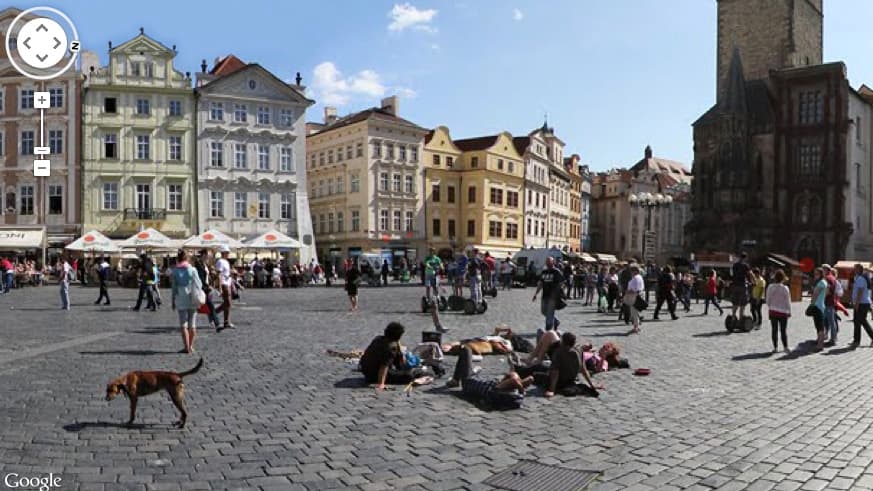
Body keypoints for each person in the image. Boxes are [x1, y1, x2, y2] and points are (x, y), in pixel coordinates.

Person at [359, 322, 424, 390]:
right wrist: (381, 384)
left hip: (367, 372)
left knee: (401, 363)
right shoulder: (390, 348)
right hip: (375, 375)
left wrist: (398, 346)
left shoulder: (378, 339)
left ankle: (403, 370)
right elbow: (384, 366)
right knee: (409, 376)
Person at [544, 332, 602, 398]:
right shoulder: (579, 351)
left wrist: (552, 390)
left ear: (562, 342)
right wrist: (592, 385)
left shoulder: (559, 352)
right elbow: (584, 369)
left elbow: (555, 372)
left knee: (540, 369)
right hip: (571, 380)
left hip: (560, 381)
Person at [171, 249, 203, 354]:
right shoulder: (192, 270)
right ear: (187, 258)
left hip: (181, 297)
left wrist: (173, 300)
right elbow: (199, 284)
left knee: (183, 324)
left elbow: (174, 287)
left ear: (178, 258)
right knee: (192, 323)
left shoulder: (175, 271)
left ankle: (186, 347)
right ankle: (191, 346)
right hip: (192, 296)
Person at [532, 256, 565, 332]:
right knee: (543, 312)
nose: (548, 263)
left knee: (550, 313)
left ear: (553, 262)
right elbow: (540, 284)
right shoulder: (544, 272)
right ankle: (555, 321)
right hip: (545, 295)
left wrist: (559, 292)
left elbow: (562, 282)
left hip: (553, 297)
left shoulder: (556, 272)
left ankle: (548, 330)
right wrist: (536, 294)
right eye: (547, 262)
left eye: (549, 262)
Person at [765, 269, 791, 353]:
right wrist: (789, 311)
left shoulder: (770, 287)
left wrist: (770, 306)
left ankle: (775, 347)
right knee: (783, 330)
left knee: (774, 330)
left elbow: (767, 299)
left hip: (773, 311)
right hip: (783, 312)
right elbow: (788, 301)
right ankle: (785, 347)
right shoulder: (785, 288)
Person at [194, 250, 221, 329]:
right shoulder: (198, 264)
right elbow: (200, 278)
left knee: (209, 306)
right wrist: (207, 286)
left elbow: (207, 276)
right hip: (202, 288)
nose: (209, 257)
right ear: (204, 255)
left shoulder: (205, 264)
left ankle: (216, 323)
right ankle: (216, 323)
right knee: (201, 306)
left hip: (206, 288)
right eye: (208, 255)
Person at [850, 264, 873, 349]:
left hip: (861, 303)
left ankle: (856, 341)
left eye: (855, 269)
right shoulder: (861, 278)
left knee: (858, 322)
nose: (854, 270)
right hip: (863, 303)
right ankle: (856, 340)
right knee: (861, 321)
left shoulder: (860, 278)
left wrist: (856, 304)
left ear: (859, 269)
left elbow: (860, 292)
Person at [214, 245, 235, 331]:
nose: (228, 254)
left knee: (227, 303)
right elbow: (219, 274)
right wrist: (220, 287)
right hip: (223, 283)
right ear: (223, 253)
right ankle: (215, 314)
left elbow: (226, 273)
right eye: (227, 252)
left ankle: (225, 320)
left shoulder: (226, 262)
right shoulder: (220, 262)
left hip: (228, 283)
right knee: (228, 302)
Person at [729, 252, 752, 319]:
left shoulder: (735, 265)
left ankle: (733, 317)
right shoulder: (745, 265)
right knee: (743, 303)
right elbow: (750, 274)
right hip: (742, 285)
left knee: (735, 303)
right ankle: (741, 317)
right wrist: (753, 281)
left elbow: (732, 274)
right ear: (745, 258)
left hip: (735, 285)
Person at [810, 267, 827, 352]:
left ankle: (820, 345)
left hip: (818, 306)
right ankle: (819, 343)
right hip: (820, 305)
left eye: (816, 274)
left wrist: (811, 305)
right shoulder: (823, 282)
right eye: (814, 274)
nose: (815, 275)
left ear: (820, 274)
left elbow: (815, 294)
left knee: (820, 327)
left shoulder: (821, 283)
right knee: (818, 326)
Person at [625, 265, 644, 334]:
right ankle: (637, 326)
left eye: (631, 271)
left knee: (634, 312)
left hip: (634, 296)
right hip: (636, 295)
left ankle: (635, 327)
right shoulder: (639, 277)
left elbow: (635, 288)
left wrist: (628, 292)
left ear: (635, 271)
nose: (631, 272)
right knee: (634, 312)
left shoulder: (636, 278)